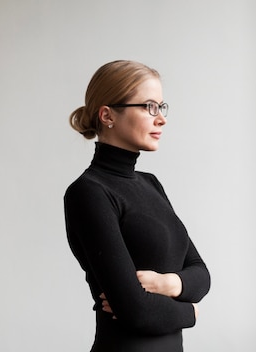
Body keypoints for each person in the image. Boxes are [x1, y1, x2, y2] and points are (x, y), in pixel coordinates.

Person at [64, 60, 210, 352]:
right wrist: (190, 312)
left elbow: (201, 275)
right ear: (108, 115)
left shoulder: (151, 184)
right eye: (148, 107)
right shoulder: (89, 193)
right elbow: (136, 312)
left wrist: (167, 284)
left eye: (161, 107)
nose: (161, 118)